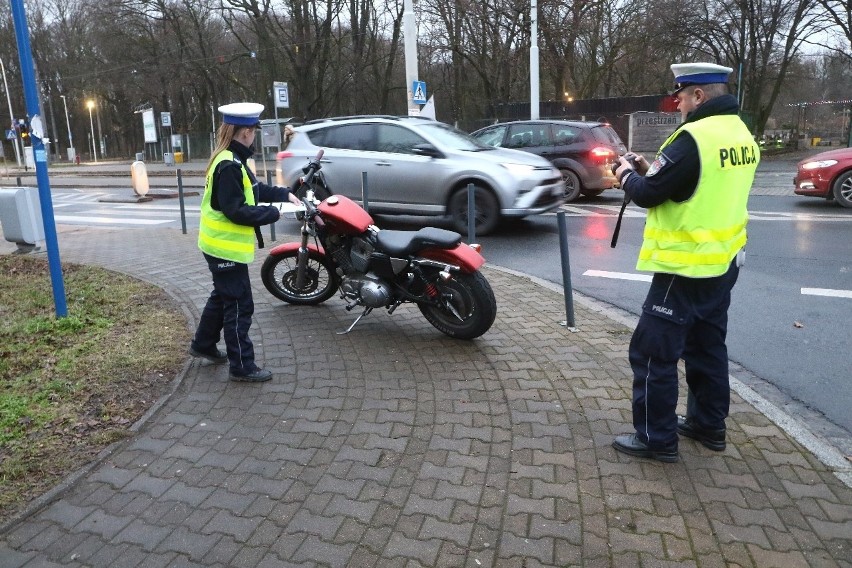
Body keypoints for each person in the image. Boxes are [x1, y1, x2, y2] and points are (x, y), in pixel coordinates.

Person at [611, 63, 760, 462]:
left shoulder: (693, 137)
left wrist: (626, 173)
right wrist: (649, 170)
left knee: (651, 353)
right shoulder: (740, 133)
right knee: (707, 348)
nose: (676, 103)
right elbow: (697, 187)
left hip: (685, 268)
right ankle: (708, 425)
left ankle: (655, 439)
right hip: (723, 263)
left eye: (680, 95)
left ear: (698, 96)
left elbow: (647, 194)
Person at [189, 102, 302, 382]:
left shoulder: (233, 158)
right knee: (239, 304)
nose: (255, 136)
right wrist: (275, 213)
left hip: (219, 246)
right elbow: (236, 210)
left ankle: (203, 344)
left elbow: (254, 189)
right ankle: (242, 366)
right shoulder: (228, 165)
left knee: (223, 295)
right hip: (224, 247)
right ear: (244, 133)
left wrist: (284, 195)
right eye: (253, 131)